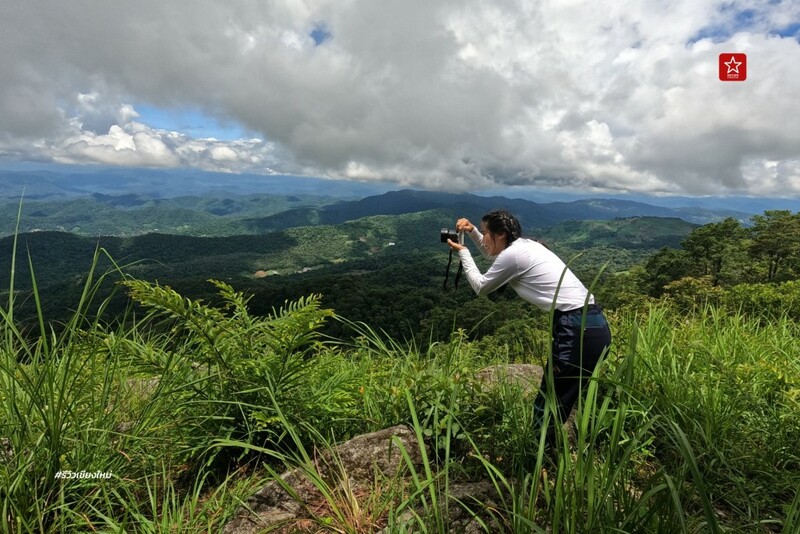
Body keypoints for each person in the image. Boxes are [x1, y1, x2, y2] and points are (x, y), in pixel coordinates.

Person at [446, 209, 612, 446]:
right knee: (561, 401)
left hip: (575, 328)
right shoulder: (525, 246)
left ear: (501, 234)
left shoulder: (513, 255)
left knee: (548, 404)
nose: (484, 236)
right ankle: (555, 460)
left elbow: (481, 286)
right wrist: (472, 231)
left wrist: (463, 252)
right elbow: (492, 251)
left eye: (485, 232)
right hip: (593, 324)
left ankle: (537, 463)